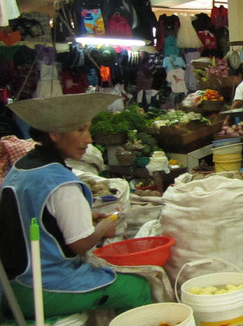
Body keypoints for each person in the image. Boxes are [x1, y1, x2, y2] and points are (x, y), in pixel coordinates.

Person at [0, 93, 151, 319]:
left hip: (10, 287)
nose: (89, 139)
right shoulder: (62, 183)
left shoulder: (22, 168)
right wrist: (103, 228)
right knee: (137, 289)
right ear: (55, 135)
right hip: (41, 289)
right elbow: (79, 245)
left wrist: (85, 217)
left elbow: (36, 218)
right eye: (80, 130)